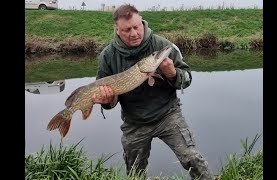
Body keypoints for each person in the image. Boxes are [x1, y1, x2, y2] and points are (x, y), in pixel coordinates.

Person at [92, 4, 214, 180]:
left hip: (167, 115)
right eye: (127, 30)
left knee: (192, 158)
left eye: (136, 27)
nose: (134, 33)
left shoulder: (163, 46)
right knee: (134, 173)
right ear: (117, 30)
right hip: (134, 121)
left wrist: (172, 74)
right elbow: (109, 103)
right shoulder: (108, 56)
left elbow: (187, 79)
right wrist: (106, 100)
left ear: (142, 23)